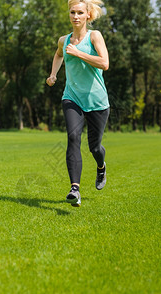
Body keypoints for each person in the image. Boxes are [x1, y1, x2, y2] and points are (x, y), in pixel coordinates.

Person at [46, 0, 110, 207]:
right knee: (73, 137)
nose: (75, 16)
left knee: (94, 148)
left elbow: (105, 63)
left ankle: (101, 167)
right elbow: (58, 55)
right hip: (72, 96)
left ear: (88, 15)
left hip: (97, 101)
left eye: (80, 12)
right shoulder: (63, 41)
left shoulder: (95, 36)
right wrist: (53, 74)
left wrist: (79, 53)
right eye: (72, 12)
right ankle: (75, 189)